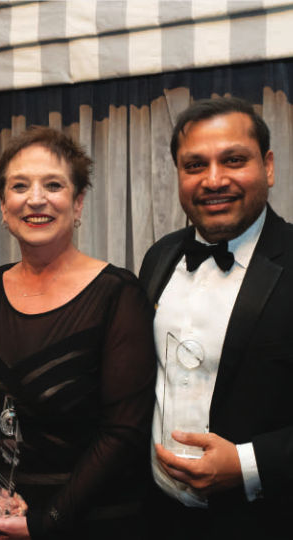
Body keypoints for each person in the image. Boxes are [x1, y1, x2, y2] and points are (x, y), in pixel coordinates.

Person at [0, 127, 156, 539]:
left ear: (78, 202)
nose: (35, 199)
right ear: (2, 205)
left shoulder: (118, 294)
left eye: (53, 184)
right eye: (19, 186)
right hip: (1, 521)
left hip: (92, 522)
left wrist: (45, 523)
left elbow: (124, 432)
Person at [139, 96, 293, 538]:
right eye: (194, 165)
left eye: (233, 160)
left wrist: (248, 465)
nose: (213, 180)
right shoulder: (160, 256)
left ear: (268, 166)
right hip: (158, 517)